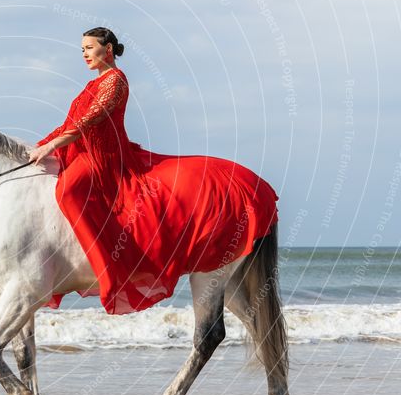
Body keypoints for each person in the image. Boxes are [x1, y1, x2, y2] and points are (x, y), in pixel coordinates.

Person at [30, 27, 279, 314]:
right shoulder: (90, 85)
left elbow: (91, 119)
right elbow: (68, 123)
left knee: (69, 190)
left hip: (105, 158)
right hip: (83, 151)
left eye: (89, 47)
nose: (85, 54)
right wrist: (40, 146)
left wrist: (52, 147)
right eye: (82, 49)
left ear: (108, 50)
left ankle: (106, 270)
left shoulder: (116, 81)